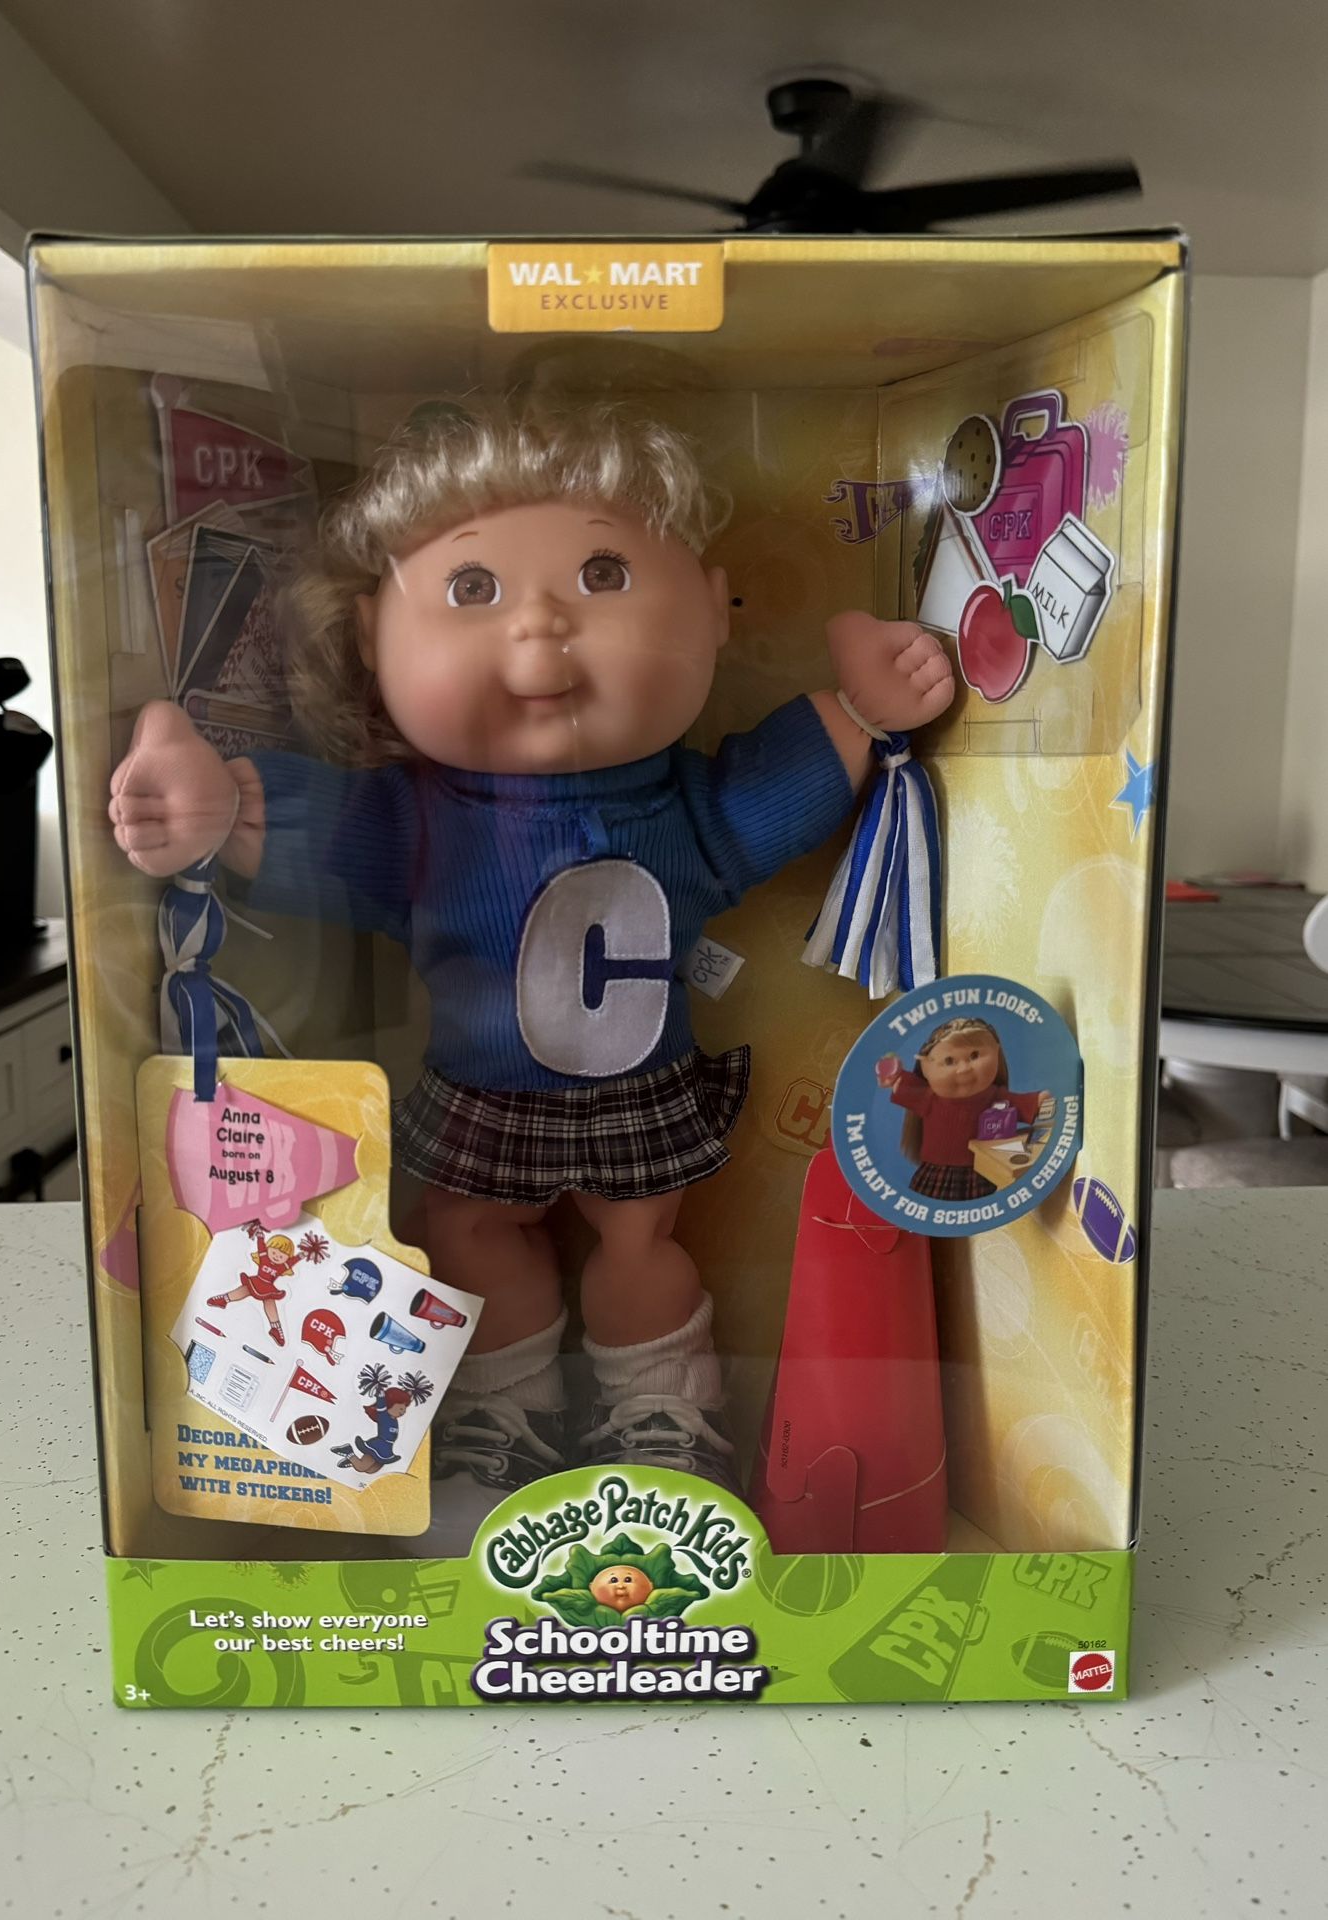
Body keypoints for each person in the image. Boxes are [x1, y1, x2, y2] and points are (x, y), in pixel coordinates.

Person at [111, 400, 954, 1545]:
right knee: (465, 1235)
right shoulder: (421, 819)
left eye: (604, 575)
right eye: (472, 588)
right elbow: (333, 833)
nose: (542, 626)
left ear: (713, 609)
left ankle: (663, 1417)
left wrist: (857, 712)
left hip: (638, 1089)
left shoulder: (683, 807)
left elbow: (766, 795)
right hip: (483, 1097)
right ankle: (499, 1421)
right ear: (372, 637)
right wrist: (215, 807)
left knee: (642, 1242)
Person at [877, 1018, 1047, 1203]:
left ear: (996, 1052)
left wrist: (1041, 1101)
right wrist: (891, 1074)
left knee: (984, 1214)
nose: (964, 1069)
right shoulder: (927, 1097)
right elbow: (897, 1081)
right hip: (937, 1175)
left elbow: (1025, 1103)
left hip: (982, 1172)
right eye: (949, 1061)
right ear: (925, 1068)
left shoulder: (996, 1097)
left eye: (974, 1055)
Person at [207, 1222, 296, 1345]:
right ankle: (223, 1299)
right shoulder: (264, 1259)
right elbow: (261, 1248)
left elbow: (292, 1262)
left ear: (286, 1258)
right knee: (244, 1290)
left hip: (268, 1287)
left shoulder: (281, 1268)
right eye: (274, 1252)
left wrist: (302, 1255)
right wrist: (260, 1236)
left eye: (281, 1256)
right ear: (269, 1249)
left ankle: (276, 1328)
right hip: (256, 1281)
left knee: (270, 1302)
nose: (277, 1256)